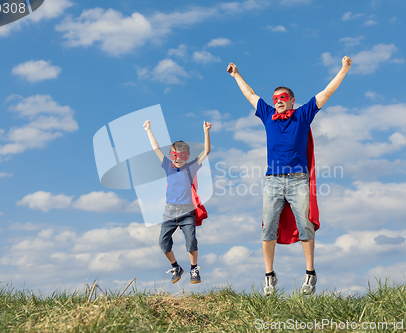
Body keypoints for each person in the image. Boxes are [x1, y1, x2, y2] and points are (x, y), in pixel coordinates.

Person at [227, 56, 352, 295]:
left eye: (283, 98)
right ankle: (269, 276)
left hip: (298, 180)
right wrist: (236, 75)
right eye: (275, 99)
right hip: (272, 180)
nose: (278, 102)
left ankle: (310, 274)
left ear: (292, 100)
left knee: (305, 225)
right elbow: (250, 94)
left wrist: (343, 70)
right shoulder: (267, 115)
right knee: (268, 228)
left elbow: (326, 92)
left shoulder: (302, 115)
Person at [143, 120, 212, 284]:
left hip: (187, 211)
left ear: (187, 157)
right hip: (169, 211)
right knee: (163, 242)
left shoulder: (191, 167)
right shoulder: (168, 166)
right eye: (174, 155)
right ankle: (175, 266)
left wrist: (206, 131)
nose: (177, 158)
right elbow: (155, 148)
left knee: (191, 241)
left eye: (181, 156)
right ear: (171, 156)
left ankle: (194, 269)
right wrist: (148, 130)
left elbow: (207, 151)